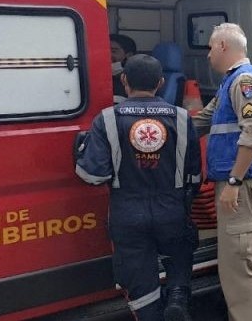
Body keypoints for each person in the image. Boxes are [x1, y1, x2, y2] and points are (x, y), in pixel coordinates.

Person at [74, 54, 201, 321]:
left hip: (128, 211)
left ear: (124, 80)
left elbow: (91, 174)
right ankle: (178, 294)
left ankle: (151, 314)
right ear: (161, 82)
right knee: (180, 248)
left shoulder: (107, 119)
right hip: (171, 207)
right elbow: (194, 174)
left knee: (139, 278)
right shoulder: (180, 117)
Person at [191, 23, 252, 321]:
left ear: (224, 46)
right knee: (238, 267)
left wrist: (233, 181)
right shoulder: (231, 83)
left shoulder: (245, 81)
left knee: (243, 270)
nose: (208, 55)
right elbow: (201, 120)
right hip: (243, 185)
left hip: (243, 185)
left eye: (211, 48)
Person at [110, 34, 137, 102]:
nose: (108, 54)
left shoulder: (135, 79)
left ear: (129, 55)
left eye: (113, 51)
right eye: (105, 49)